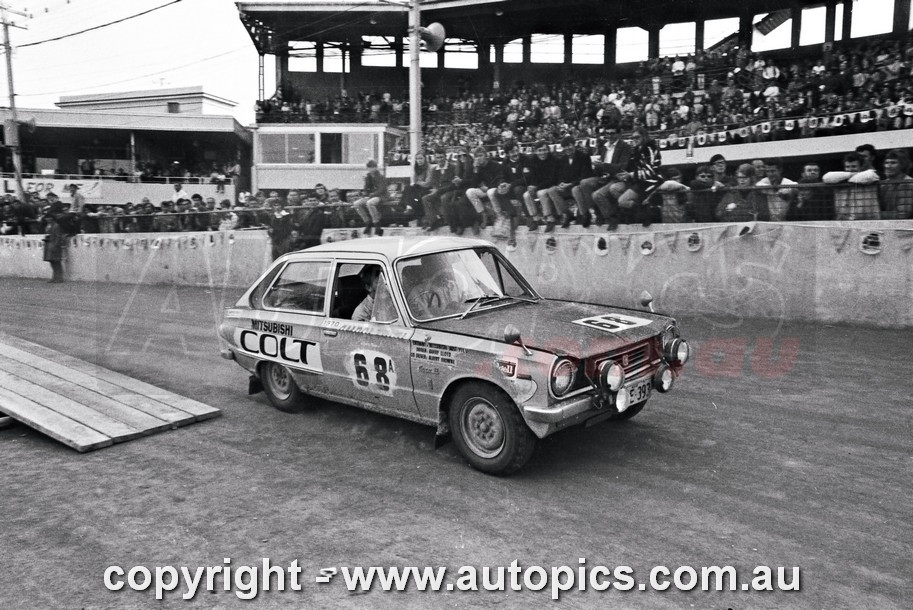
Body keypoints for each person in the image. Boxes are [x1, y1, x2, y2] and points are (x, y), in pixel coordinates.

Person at [578, 124, 632, 228]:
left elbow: (622, 167)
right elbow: (603, 169)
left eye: (612, 133)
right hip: (605, 178)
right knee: (584, 183)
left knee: (597, 195)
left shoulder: (624, 146)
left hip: (617, 178)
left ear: (618, 134)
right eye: (608, 133)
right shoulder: (604, 147)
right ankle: (598, 213)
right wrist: (598, 167)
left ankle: (611, 217)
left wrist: (603, 166)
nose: (610, 136)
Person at [353, 160, 387, 236]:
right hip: (371, 196)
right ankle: (367, 222)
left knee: (370, 203)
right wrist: (364, 193)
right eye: (369, 167)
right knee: (356, 204)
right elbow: (366, 188)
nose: (371, 169)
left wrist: (371, 194)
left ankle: (376, 223)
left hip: (380, 196)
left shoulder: (381, 177)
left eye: (372, 167)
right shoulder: (368, 177)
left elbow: (382, 189)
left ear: (376, 168)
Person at [878, 148, 913, 219]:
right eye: (886, 163)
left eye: (893, 163)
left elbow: (902, 214)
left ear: (902, 165)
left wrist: (874, 214)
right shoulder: (884, 184)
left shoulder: (908, 184)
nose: (888, 166)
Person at [42, 200, 69, 283]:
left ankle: (59, 277)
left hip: (54, 244)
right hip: (49, 244)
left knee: (56, 262)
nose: (48, 219)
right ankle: (55, 277)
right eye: (47, 217)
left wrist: (56, 245)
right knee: (52, 262)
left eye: (49, 217)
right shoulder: (49, 226)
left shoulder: (56, 226)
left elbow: (58, 237)